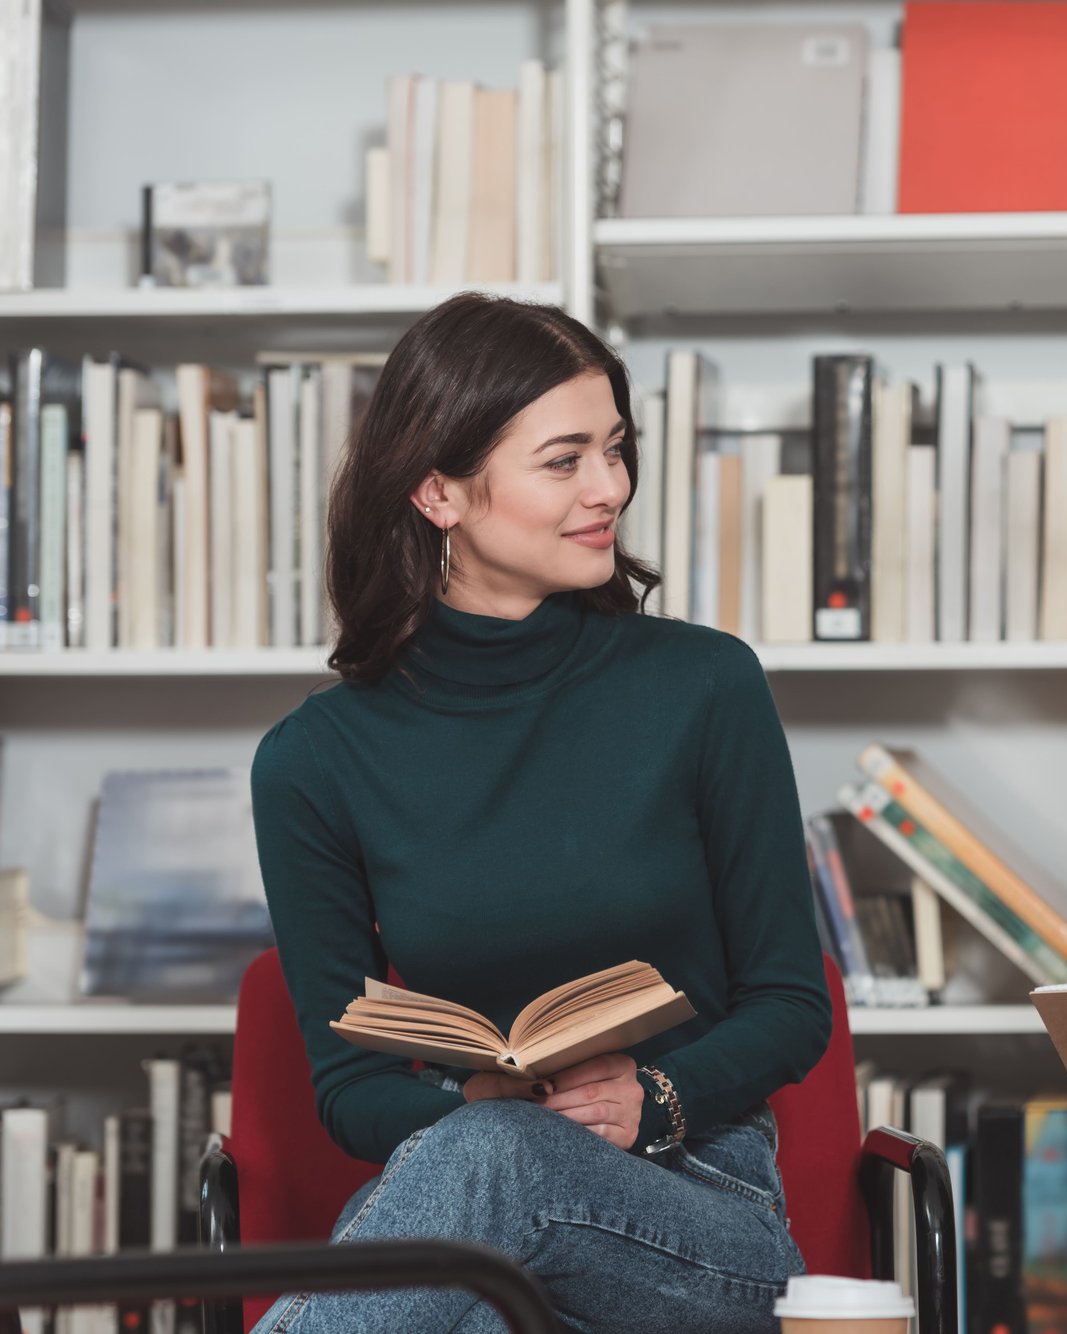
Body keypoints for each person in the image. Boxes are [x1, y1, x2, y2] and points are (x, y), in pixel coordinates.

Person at [247, 293, 831, 1333]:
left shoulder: (703, 687)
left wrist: (648, 1096)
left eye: (615, 448)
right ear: (437, 491)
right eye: (564, 460)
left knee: (489, 1176)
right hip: (472, 1206)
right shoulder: (313, 761)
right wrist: (473, 1103)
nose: (609, 486)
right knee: (479, 1269)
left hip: (701, 1211)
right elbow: (348, 1087)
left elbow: (790, 1002)